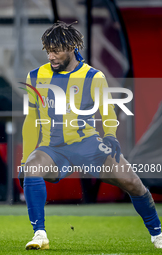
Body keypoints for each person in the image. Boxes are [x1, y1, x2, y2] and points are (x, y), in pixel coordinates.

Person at [19, 21, 162, 250]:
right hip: (53, 148)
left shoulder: (93, 77)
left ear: (73, 47)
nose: (51, 56)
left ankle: (157, 233)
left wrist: (111, 136)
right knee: (32, 168)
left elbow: (108, 113)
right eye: (48, 51)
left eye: (56, 51)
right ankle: (39, 234)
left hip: (89, 145)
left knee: (133, 183)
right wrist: (26, 158)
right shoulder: (35, 77)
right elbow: (31, 120)